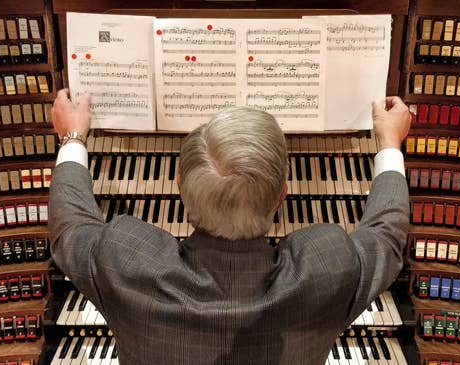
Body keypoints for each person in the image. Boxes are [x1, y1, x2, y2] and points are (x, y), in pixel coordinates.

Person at [49, 88, 410, 365]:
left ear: (179, 188)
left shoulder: (125, 264)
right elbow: (387, 237)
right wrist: (390, 143)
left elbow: (71, 228)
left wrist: (73, 137)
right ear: (282, 195)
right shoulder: (327, 271)